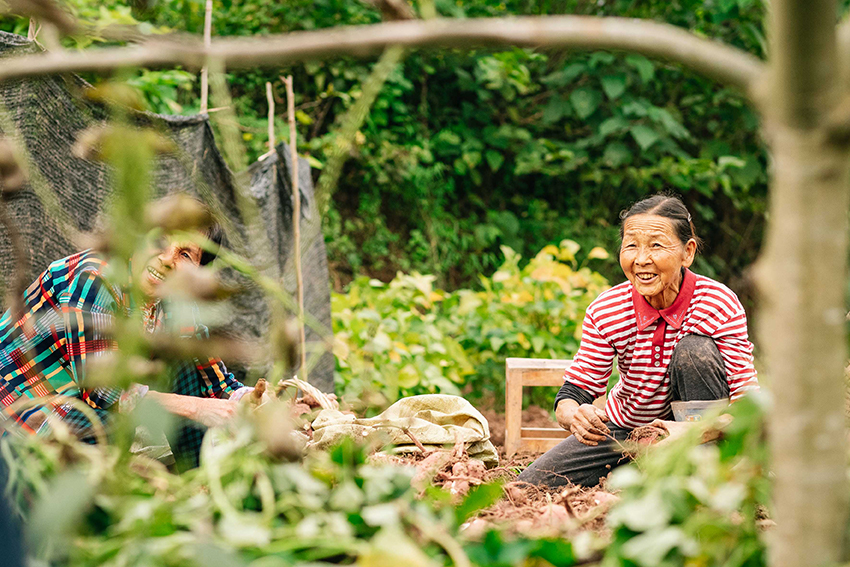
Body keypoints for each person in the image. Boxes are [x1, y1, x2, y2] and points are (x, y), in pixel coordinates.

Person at [518, 194, 759, 487]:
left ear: (688, 252)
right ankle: (640, 470)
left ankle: (703, 478)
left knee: (694, 350)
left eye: (656, 245)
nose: (641, 259)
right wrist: (574, 416)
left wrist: (693, 432)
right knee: (529, 485)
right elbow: (574, 391)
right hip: (625, 432)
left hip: (699, 436)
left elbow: (747, 403)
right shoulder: (607, 308)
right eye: (631, 245)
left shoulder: (717, 303)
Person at [0, 198, 260, 468]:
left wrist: (262, 401)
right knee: (111, 420)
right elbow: (103, 392)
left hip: (74, 408)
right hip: (19, 414)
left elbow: (216, 384)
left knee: (184, 362)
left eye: (185, 254)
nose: (166, 259)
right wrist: (196, 408)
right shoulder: (96, 276)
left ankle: (200, 483)